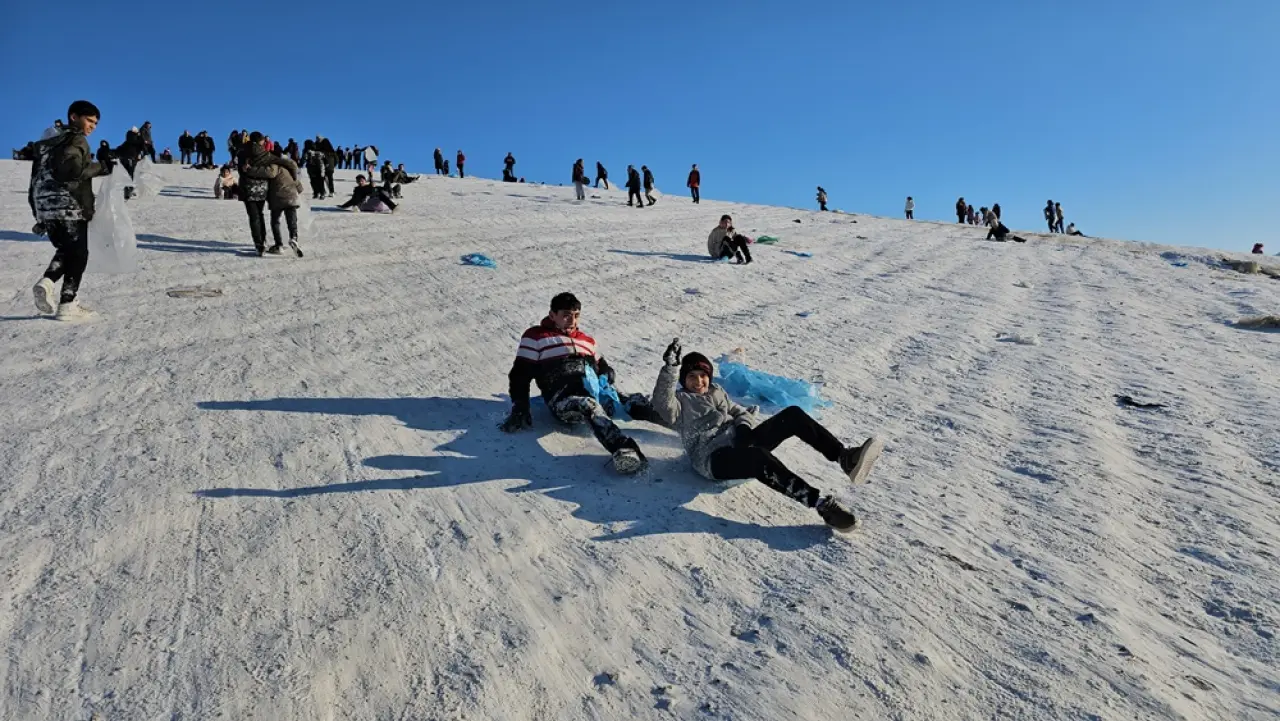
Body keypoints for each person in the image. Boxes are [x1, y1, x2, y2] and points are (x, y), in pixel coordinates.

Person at [649, 341, 880, 532]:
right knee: (758, 457)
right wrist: (670, 368)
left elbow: (739, 412)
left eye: (702, 375)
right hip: (713, 459)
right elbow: (661, 401)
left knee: (793, 415)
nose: (698, 381)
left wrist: (743, 427)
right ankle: (821, 505)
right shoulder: (679, 403)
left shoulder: (717, 391)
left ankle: (844, 457)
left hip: (738, 443)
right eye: (691, 376)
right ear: (683, 379)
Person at [500, 292, 657, 475]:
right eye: (566, 315)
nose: (572, 321)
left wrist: (607, 373)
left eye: (576, 315)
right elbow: (520, 374)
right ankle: (624, 449)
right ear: (552, 315)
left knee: (636, 401)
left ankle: (683, 426)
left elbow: (602, 366)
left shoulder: (587, 341)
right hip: (563, 398)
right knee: (588, 405)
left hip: (595, 392)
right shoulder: (536, 336)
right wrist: (520, 406)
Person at [29, 100, 109, 320]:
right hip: (69, 205)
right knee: (79, 253)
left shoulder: (46, 144)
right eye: (89, 120)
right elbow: (73, 171)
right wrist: (103, 167)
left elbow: (34, 179)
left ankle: (50, 286)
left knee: (67, 251)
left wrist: (38, 213)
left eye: (96, 123)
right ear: (74, 117)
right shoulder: (75, 139)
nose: (92, 126)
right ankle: (66, 303)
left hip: (45, 206)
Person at [238, 132, 283, 256]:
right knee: (260, 214)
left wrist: (248, 171)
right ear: (260, 141)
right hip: (262, 188)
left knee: (254, 217)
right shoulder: (264, 153)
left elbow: (241, 170)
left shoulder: (242, 152)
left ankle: (259, 244)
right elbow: (271, 170)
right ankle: (262, 241)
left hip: (247, 188)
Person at [266, 153, 304, 257]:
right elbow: (299, 186)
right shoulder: (288, 168)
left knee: (275, 221)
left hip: (278, 197)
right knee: (292, 220)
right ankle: (294, 238)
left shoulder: (273, 166)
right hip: (291, 196)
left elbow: (271, 174)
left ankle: (278, 245)